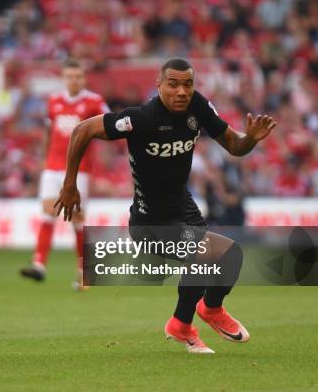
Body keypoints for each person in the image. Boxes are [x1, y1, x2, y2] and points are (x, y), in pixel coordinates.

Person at [54, 58, 276, 353]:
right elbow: (82, 130)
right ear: (159, 85)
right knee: (213, 254)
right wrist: (70, 184)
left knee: (224, 259)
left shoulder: (198, 106)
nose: (182, 91)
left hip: (183, 208)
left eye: (187, 84)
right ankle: (185, 323)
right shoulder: (142, 118)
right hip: (150, 221)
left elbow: (234, 145)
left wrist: (250, 139)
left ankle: (201, 315)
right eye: (173, 84)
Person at [19, 59, 109, 290]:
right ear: (64, 78)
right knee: (48, 214)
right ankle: (39, 265)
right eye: (69, 76)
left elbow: (110, 127)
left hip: (80, 169)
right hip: (52, 166)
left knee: (77, 220)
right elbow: (50, 131)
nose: (74, 80)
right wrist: (44, 159)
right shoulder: (54, 101)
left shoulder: (94, 102)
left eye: (78, 76)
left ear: (84, 78)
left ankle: (83, 273)